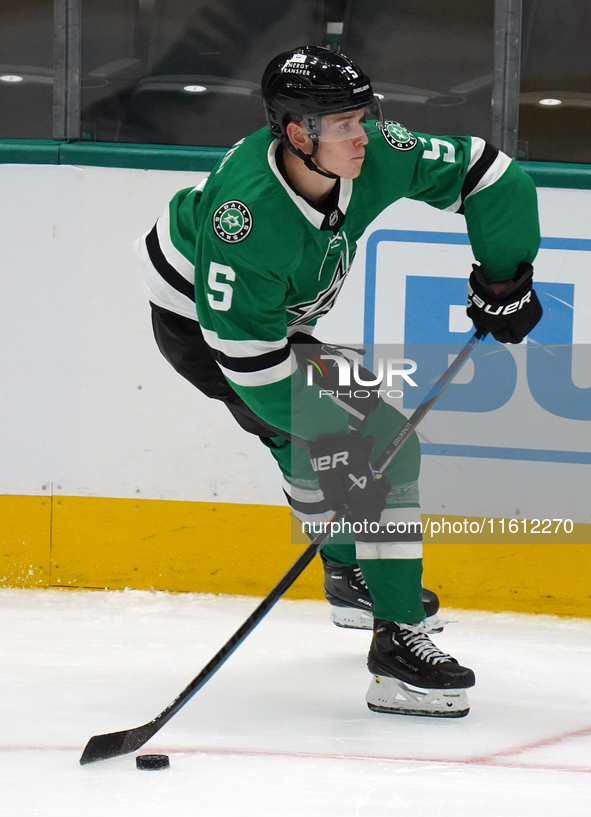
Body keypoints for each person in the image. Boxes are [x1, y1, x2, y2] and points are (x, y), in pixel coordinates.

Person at [136, 46, 541, 718]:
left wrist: (502, 278)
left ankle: (349, 569)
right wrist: (351, 448)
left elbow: (491, 177)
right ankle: (395, 641)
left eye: (362, 116)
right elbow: (258, 369)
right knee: (379, 442)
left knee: (333, 429)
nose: (365, 135)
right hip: (208, 333)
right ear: (297, 134)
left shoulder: (369, 148)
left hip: (276, 325)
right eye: (344, 125)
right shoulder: (246, 221)